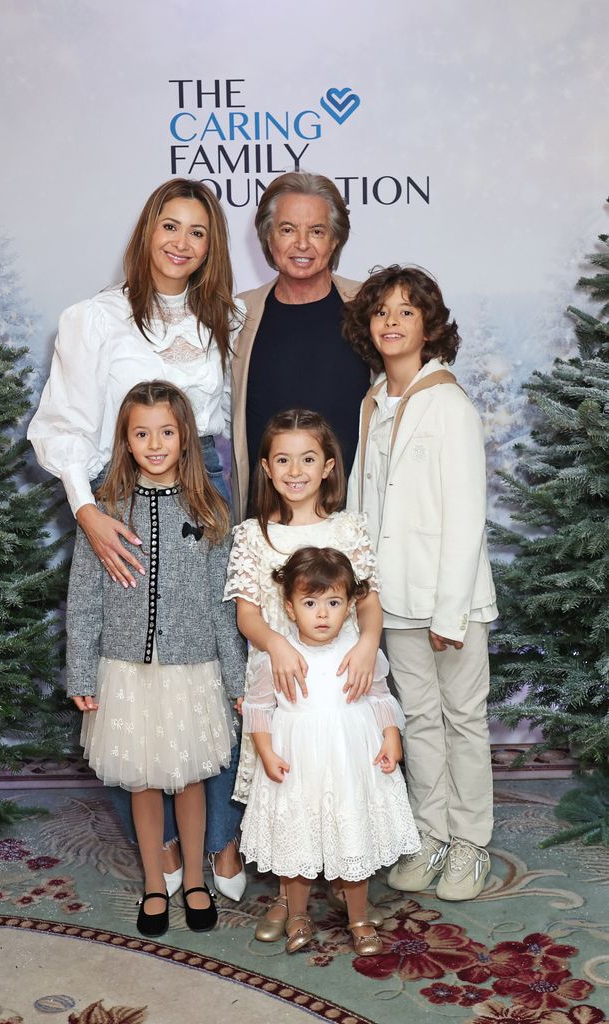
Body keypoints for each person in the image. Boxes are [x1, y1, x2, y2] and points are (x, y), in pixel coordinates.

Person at [28, 178, 246, 897]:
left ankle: (219, 843)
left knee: (209, 662)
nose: (181, 243)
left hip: (207, 488)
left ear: (212, 246)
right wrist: (87, 510)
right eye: (169, 226)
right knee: (134, 668)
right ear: (146, 232)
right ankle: (162, 853)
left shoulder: (226, 321)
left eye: (198, 231)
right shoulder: (95, 319)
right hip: (117, 493)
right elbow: (62, 425)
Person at [66, 381, 246, 936]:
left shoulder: (209, 509)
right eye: (141, 433)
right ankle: (153, 881)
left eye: (166, 431)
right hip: (125, 671)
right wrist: (80, 669)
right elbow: (84, 597)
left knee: (190, 778)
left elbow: (223, 605)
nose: (154, 443)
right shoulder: (107, 511)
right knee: (142, 781)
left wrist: (237, 680)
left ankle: (194, 877)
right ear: (125, 439)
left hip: (192, 671)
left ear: (185, 436)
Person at [345, 265, 498, 902]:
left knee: (464, 718)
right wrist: (360, 590)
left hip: (447, 603)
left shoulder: (448, 403)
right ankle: (431, 833)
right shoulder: (374, 401)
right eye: (381, 311)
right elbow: (361, 498)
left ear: (428, 325)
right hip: (393, 599)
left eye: (406, 312)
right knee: (420, 722)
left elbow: (467, 517)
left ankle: (471, 844)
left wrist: (450, 611)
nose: (391, 322)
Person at [224, 409, 386, 940]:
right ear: (267, 469)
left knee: (337, 778)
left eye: (308, 458)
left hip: (338, 674)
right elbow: (249, 612)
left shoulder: (348, 527)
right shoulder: (253, 535)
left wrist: (367, 644)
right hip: (282, 672)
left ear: (328, 466)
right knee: (286, 787)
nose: (296, 470)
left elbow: (369, 601)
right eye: (284, 459)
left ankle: (345, 884)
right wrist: (275, 645)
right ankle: (286, 900)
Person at [240, 547, 420, 955]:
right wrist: (266, 752)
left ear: (350, 606)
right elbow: (257, 707)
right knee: (298, 842)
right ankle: (298, 914)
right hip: (298, 763)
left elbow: (379, 697)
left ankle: (358, 916)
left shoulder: (358, 651)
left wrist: (391, 735)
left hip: (350, 760)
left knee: (351, 835)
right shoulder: (279, 657)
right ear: (289, 608)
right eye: (310, 603)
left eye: (333, 603)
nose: (322, 614)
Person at [230, 170, 370, 519]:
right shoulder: (238, 314)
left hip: (352, 520)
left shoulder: (369, 306)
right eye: (288, 229)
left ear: (335, 240)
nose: (302, 244)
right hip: (265, 526)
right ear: (268, 238)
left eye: (317, 231)